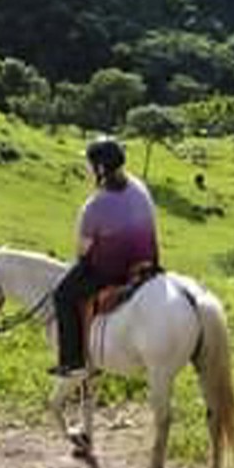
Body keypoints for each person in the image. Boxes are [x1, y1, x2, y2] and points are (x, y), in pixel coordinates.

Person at [51, 136, 161, 381]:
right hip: (148, 265)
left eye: (89, 165)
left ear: (100, 169)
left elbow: (82, 251)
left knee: (62, 295)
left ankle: (72, 361)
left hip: (113, 271)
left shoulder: (94, 206)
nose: (87, 169)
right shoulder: (138, 186)